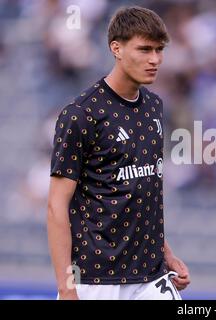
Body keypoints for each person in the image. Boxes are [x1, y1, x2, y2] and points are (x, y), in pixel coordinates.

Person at [47, 6, 190, 300]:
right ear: (117, 48)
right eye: (145, 49)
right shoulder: (81, 115)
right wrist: (66, 286)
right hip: (96, 279)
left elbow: (143, 191)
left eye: (159, 50)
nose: (155, 60)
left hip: (150, 275)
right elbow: (56, 206)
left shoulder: (154, 107)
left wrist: (167, 253)